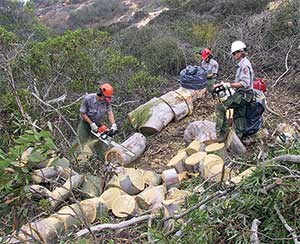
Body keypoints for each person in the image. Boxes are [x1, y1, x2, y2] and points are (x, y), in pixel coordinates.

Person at [214, 41, 255, 142]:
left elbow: (244, 83)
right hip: (244, 94)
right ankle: (239, 136)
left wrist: (228, 85)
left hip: (244, 95)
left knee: (220, 107)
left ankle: (221, 134)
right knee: (239, 114)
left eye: (234, 53)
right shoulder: (242, 63)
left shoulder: (244, 65)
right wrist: (229, 87)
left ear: (240, 52)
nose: (233, 56)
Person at [77, 83, 118, 159]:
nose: (107, 99)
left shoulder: (106, 101)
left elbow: (110, 113)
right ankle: (78, 162)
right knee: (81, 143)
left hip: (97, 123)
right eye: (106, 97)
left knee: (99, 145)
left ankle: (103, 162)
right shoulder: (88, 99)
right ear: (100, 94)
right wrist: (91, 124)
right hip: (85, 123)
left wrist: (113, 125)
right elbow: (82, 113)